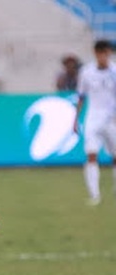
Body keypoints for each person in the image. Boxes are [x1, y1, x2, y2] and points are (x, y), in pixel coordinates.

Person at [73, 39, 116, 206]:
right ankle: (94, 195)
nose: (106, 57)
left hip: (112, 119)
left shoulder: (114, 71)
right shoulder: (86, 72)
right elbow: (81, 96)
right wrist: (75, 119)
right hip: (92, 119)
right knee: (91, 155)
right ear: (96, 53)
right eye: (103, 53)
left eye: (108, 53)